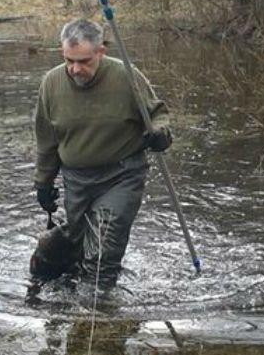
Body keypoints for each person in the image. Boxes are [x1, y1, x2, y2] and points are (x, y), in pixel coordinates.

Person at [32, 18, 172, 290]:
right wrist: (43, 182)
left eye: (84, 61)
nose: (75, 69)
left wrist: (159, 134)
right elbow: (46, 140)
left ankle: (99, 311)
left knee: (104, 248)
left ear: (101, 52)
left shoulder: (126, 77)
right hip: (77, 180)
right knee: (78, 244)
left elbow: (159, 115)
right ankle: (70, 285)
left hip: (122, 174)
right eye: (69, 60)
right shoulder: (51, 84)